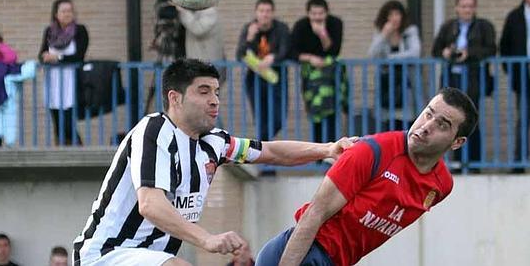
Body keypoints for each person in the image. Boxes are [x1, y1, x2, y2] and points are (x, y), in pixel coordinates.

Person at [73, 59, 357, 266]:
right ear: (175, 98)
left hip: (153, 258)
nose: (215, 100)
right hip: (107, 255)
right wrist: (207, 238)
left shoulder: (215, 143)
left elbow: (271, 152)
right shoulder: (155, 130)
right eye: (204, 91)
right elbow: (150, 204)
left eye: (217, 92)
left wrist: (327, 149)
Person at [255, 87, 478, 266]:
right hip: (301, 253)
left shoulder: (441, 186)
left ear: (457, 142)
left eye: (442, 124)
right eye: (428, 114)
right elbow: (314, 214)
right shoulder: (371, 151)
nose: (426, 126)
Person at [432, 0, 496, 172]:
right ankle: (456, 163)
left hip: (474, 80)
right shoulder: (448, 27)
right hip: (452, 78)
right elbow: (435, 49)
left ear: (475, 8)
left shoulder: (483, 26)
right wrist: (445, 52)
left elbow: (490, 49)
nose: (466, 10)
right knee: (450, 121)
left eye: (470, 6)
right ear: (456, 8)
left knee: (471, 121)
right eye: (463, 6)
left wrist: (469, 54)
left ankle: (473, 164)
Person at [291, 0, 347, 143]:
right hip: (311, 78)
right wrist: (310, 58)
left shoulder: (335, 23)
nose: (317, 17)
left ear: (326, 13)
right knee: (315, 113)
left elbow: (335, 51)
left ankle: (332, 153)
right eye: (314, 14)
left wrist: (323, 34)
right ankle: (319, 155)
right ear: (308, 13)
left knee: (332, 112)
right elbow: (292, 53)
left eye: (321, 14)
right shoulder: (301, 26)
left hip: (331, 78)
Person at [236, 0, 291, 140]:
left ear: (273, 13)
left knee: (279, 117)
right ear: (256, 12)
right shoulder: (249, 29)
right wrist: (249, 37)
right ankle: (263, 150)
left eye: (268, 11)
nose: (264, 14)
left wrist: (273, 57)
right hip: (255, 79)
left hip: (276, 78)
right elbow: (239, 54)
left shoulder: (281, 28)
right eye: (261, 11)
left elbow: (286, 50)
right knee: (260, 118)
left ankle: (261, 144)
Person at [39, 0, 89, 146]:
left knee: (68, 123)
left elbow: (79, 55)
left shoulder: (80, 30)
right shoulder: (49, 31)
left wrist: (57, 57)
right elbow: (41, 54)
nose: (68, 14)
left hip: (71, 82)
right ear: (56, 14)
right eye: (64, 11)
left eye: (70, 10)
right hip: (53, 82)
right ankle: (60, 152)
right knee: (57, 124)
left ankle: (79, 152)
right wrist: (44, 57)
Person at [368, 0, 421, 128]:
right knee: (387, 126)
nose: (394, 18)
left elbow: (415, 52)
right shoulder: (381, 33)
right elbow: (372, 55)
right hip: (386, 85)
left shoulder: (410, 32)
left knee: (405, 124)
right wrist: (384, 35)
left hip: (406, 85)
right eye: (390, 15)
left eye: (397, 14)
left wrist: (389, 58)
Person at [499, 0, 530, 174]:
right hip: (523, 75)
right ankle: (519, 162)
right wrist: (513, 73)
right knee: (524, 118)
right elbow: (504, 46)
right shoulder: (515, 17)